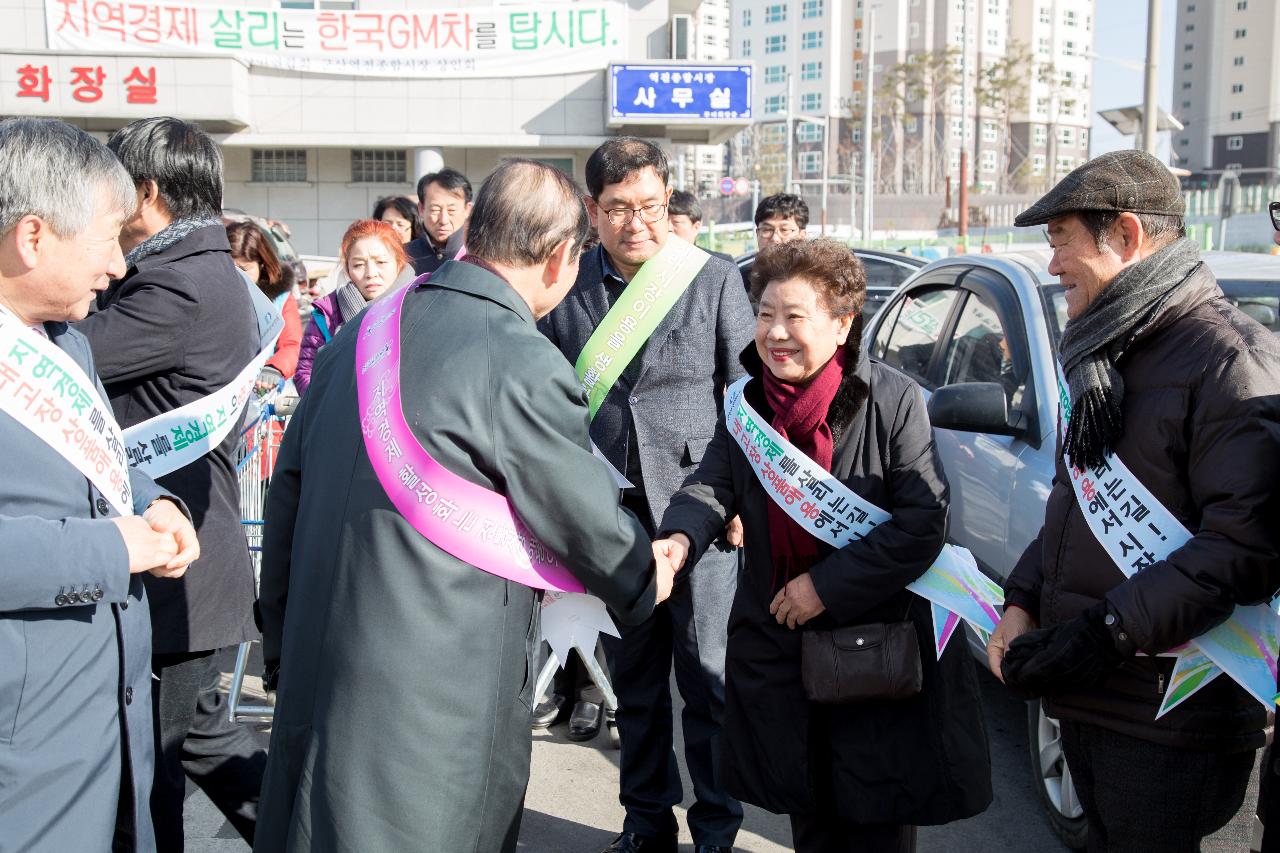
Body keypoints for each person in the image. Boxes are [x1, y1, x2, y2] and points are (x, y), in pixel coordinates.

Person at [254, 159, 671, 853]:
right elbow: (589, 527)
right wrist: (645, 572)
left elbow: (286, 494)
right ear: (562, 256)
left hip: (317, 673)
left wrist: (280, 646)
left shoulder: (364, 335)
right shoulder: (521, 358)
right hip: (435, 707)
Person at [986, 149, 1280, 852]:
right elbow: (1072, 501)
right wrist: (1022, 600)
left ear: (1126, 234)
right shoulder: (1110, 353)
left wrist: (1103, 634)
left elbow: (1242, 548)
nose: (1053, 266)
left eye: (1061, 242)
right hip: (1093, 703)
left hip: (1172, 719)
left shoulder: (1228, 360)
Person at [657, 239, 992, 852]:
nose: (775, 333)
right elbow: (713, 483)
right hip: (780, 643)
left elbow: (922, 522)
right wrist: (678, 539)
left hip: (873, 641)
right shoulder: (748, 404)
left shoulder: (890, 399)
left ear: (841, 325)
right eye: (765, 315)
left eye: (794, 317)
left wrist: (825, 589)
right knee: (806, 809)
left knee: (874, 815)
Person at [539, 137, 754, 853]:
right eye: (620, 208)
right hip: (611, 519)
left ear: (669, 202)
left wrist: (741, 503)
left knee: (710, 680)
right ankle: (645, 821)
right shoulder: (563, 285)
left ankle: (718, 826)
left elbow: (747, 401)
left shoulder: (714, 279)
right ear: (592, 210)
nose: (639, 223)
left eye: (653, 206)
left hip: (704, 513)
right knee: (632, 684)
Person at [0, 116, 199, 853]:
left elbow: (100, 468)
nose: (118, 265)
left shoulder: (67, 342)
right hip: (22, 760)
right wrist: (113, 547)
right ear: (33, 236)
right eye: (107, 238)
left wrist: (153, 501)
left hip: (107, 735)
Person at [76, 116, 269, 850]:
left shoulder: (177, 286)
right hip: (184, 555)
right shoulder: (194, 270)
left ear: (147, 192)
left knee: (168, 753)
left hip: (181, 565)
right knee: (183, 746)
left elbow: (71, 358)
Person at [295, 219, 407, 394]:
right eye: (358, 265)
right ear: (347, 269)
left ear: (399, 263)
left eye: (381, 262)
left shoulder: (416, 304)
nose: (371, 273)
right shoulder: (327, 313)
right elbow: (305, 373)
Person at [226, 220, 302, 390]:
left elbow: (291, 345)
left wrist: (274, 368)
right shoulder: (208, 293)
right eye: (230, 268)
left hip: (262, 392)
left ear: (261, 264)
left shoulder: (281, 299)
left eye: (244, 269)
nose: (237, 276)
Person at [405, 166, 471, 275]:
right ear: (421, 209)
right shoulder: (404, 255)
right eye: (435, 209)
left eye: (451, 210)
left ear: (467, 209)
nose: (443, 220)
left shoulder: (480, 255)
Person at [667, 189, 733, 262]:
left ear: (696, 227)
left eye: (676, 222)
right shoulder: (653, 262)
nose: (668, 228)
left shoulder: (722, 265)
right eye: (664, 222)